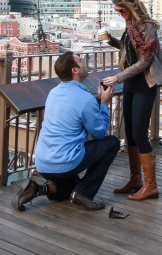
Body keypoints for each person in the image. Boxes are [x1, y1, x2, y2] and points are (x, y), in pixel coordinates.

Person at [12, 51, 119, 211]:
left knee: (71, 186)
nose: (84, 62)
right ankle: (84, 193)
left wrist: (95, 102)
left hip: (43, 164)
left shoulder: (53, 93)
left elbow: (74, 112)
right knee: (111, 143)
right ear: (74, 70)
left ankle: (37, 189)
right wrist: (103, 104)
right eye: (80, 61)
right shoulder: (85, 99)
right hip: (65, 162)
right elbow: (99, 132)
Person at [101, 0, 162, 201]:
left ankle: (151, 185)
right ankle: (135, 179)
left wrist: (118, 78)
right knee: (129, 132)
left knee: (139, 133)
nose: (119, 13)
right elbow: (131, 51)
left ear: (129, 7)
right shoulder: (130, 27)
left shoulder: (146, 27)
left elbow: (145, 60)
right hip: (131, 83)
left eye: (121, 10)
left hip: (144, 85)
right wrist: (112, 41)